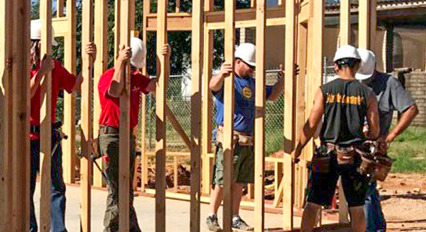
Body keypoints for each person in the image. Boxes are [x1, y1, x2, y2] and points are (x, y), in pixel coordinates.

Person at [293, 45, 380, 232]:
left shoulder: (325, 90)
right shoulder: (368, 93)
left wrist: (298, 149)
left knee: (313, 203)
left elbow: (311, 124)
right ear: (357, 66)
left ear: (335, 66)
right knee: (356, 207)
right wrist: (365, 132)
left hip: (328, 155)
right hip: (355, 157)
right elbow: (375, 131)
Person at [206, 43, 285, 231]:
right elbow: (212, 86)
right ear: (238, 62)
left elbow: (272, 95)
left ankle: (234, 216)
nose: (252, 70)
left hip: (247, 140)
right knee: (222, 180)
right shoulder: (228, 80)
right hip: (229, 139)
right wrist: (222, 74)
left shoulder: (253, 83)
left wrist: (284, 78)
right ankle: (212, 216)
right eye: (250, 66)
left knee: (239, 181)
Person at [29, 19, 96, 232]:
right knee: (25, 188)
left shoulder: (55, 67)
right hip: (26, 136)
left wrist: (89, 63)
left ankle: (57, 230)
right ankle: (29, 228)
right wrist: (40, 73)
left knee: (56, 188)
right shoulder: (21, 67)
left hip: (49, 135)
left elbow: (74, 85)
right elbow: (22, 98)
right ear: (37, 45)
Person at [98, 37, 169, 232]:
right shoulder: (107, 76)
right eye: (129, 66)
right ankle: (112, 229)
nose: (131, 71)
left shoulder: (137, 78)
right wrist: (121, 62)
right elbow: (115, 90)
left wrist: (166, 60)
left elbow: (159, 85)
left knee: (126, 188)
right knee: (115, 188)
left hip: (127, 135)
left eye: (132, 67)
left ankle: (129, 228)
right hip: (110, 135)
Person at [356, 48, 418, 232]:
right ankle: (377, 227)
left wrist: (389, 136)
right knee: (367, 190)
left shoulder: (389, 83)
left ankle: (372, 228)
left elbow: (411, 109)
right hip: (353, 144)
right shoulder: (353, 81)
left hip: (372, 148)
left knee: (364, 190)